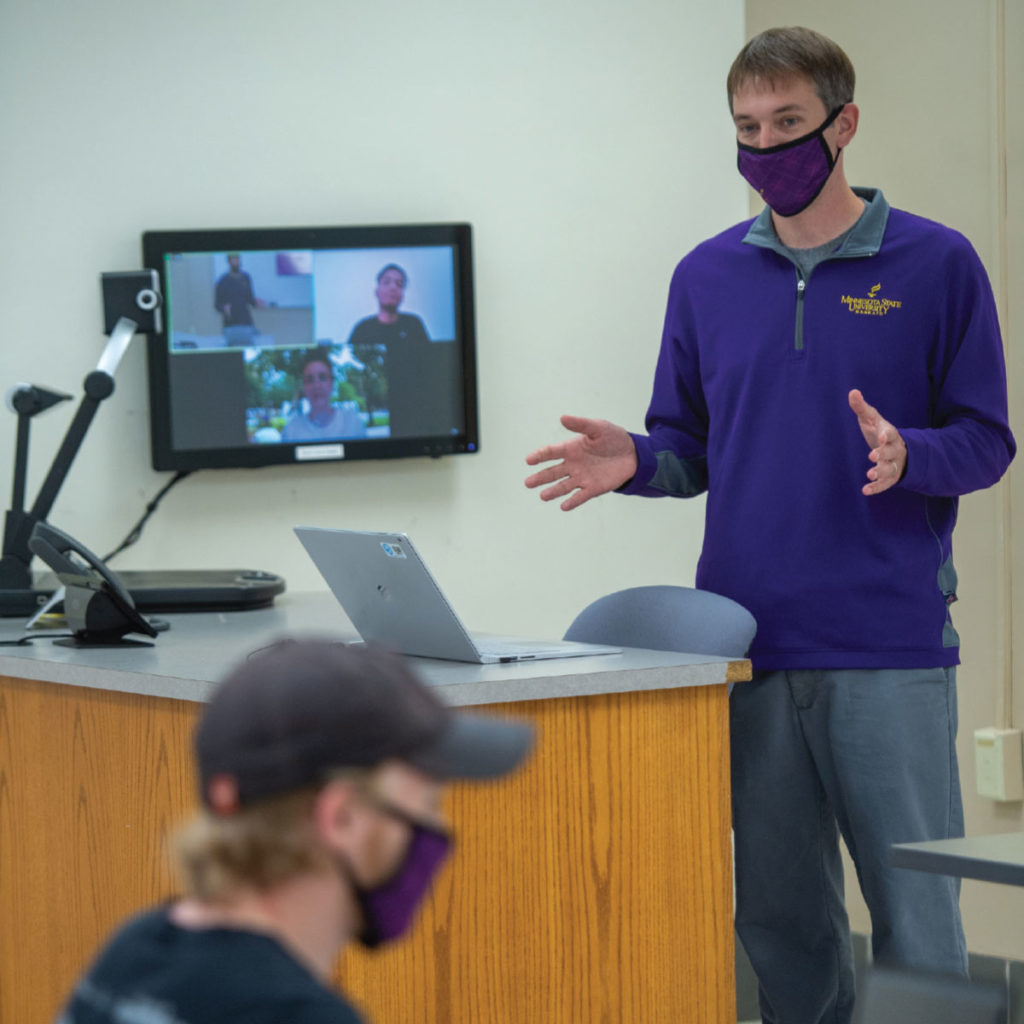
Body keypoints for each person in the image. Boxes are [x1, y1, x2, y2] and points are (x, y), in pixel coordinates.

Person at [524, 26, 1015, 1024]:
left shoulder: (937, 262)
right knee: (779, 916)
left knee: (916, 917)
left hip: (887, 644)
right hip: (747, 647)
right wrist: (635, 460)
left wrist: (909, 455)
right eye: (746, 128)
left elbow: (987, 439)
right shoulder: (704, 277)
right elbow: (687, 444)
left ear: (844, 124)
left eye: (787, 123)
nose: (765, 148)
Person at [56, 639, 534, 1023]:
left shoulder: (135, 950)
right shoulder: (298, 1014)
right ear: (342, 818)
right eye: (428, 802)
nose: (437, 828)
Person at [346, 264, 449, 437]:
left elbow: (429, 367)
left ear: (402, 294)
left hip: (414, 413)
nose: (393, 287)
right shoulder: (362, 329)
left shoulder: (414, 324)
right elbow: (354, 368)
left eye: (399, 284)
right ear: (377, 291)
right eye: (387, 282)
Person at [281, 348, 367, 441]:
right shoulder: (291, 431)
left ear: (332, 383)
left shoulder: (353, 424)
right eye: (310, 379)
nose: (317, 385)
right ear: (304, 387)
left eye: (322, 377)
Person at [214, 252, 265, 345]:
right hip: (231, 325)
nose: (236, 262)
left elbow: (250, 299)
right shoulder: (222, 281)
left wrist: (256, 302)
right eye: (234, 259)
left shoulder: (246, 278)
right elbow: (217, 305)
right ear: (229, 261)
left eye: (238, 259)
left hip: (246, 322)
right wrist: (224, 309)